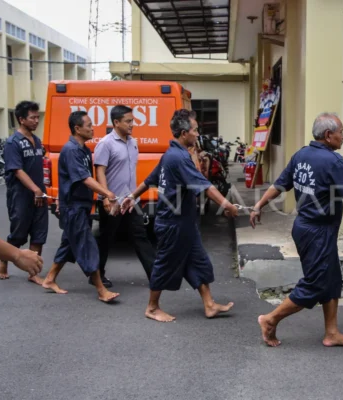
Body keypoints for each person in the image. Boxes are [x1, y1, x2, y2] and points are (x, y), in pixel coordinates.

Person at [250, 112, 343, 348]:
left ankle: (332, 333)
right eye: (341, 132)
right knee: (315, 284)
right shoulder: (332, 162)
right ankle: (270, 319)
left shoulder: (301, 155)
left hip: (309, 229)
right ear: (329, 135)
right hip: (316, 232)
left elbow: (280, 185)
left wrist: (259, 205)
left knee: (331, 280)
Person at [120, 109, 237, 322]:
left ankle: (209, 304)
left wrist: (131, 196)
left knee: (199, 261)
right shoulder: (178, 157)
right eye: (195, 130)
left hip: (185, 222)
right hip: (172, 224)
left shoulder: (171, 154)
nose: (197, 134)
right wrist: (227, 204)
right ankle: (152, 307)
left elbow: (150, 179)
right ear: (184, 133)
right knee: (165, 264)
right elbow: (204, 186)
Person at [41, 111, 120, 303]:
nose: (93, 128)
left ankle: (50, 279)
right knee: (87, 245)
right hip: (74, 207)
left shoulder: (83, 149)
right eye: (89, 125)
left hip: (80, 206)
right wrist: (106, 193)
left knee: (69, 244)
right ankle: (101, 290)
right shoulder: (71, 150)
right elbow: (84, 179)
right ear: (77, 128)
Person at [93, 105, 154, 288]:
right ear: (116, 122)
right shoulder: (105, 143)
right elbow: (100, 171)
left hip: (129, 200)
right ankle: (97, 275)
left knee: (140, 236)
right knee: (106, 239)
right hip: (112, 201)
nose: (132, 124)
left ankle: (155, 275)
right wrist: (105, 197)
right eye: (128, 121)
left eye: (132, 120)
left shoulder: (132, 142)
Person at [0, 101, 48, 284]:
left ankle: (33, 273)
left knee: (39, 232)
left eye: (37, 117)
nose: (36, 121)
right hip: (21, 194)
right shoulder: (13, 142)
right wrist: (34, 189)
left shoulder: (37, 140)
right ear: (21, 119)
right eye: (32, 117)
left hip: (39, 193)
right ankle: (4, 259)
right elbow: (17, 170)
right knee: (19, 232)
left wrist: (41, 189)